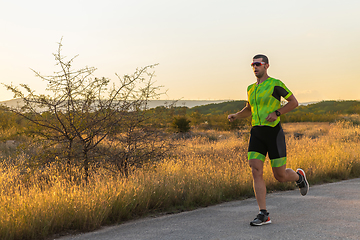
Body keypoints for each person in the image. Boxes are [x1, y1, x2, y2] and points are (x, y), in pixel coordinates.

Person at [228, 54, 309, 226]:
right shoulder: (250, 88)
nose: (255, 67)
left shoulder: (275, 84)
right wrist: (237, 115)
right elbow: (249, 108)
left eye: (258, 64)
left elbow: (294, 102)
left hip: (273, 133)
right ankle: (263, 213)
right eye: (252, 65)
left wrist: (277, 113)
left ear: (266, 66)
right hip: (256, 132)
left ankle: (299, 178)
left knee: (279, 176)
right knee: (255, 169)